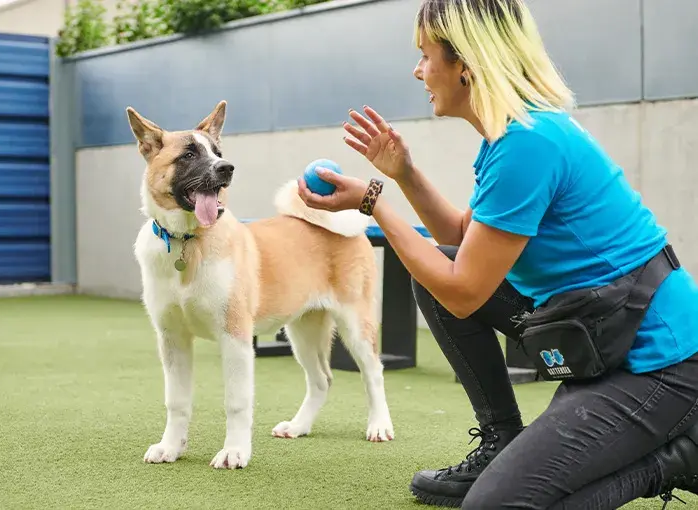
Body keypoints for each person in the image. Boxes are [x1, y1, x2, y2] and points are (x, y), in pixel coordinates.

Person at [295, 0, 698, 508]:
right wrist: (403, 173)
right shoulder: (511, 136)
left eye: (425, 55)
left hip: (659, 361)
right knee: (434, 272)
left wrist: (374, 203)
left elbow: (465, 291)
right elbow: (462, 241)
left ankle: (675, 460)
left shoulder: (529, 144)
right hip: (601, 332)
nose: (418, 70)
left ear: (464, 64)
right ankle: (501, 438)